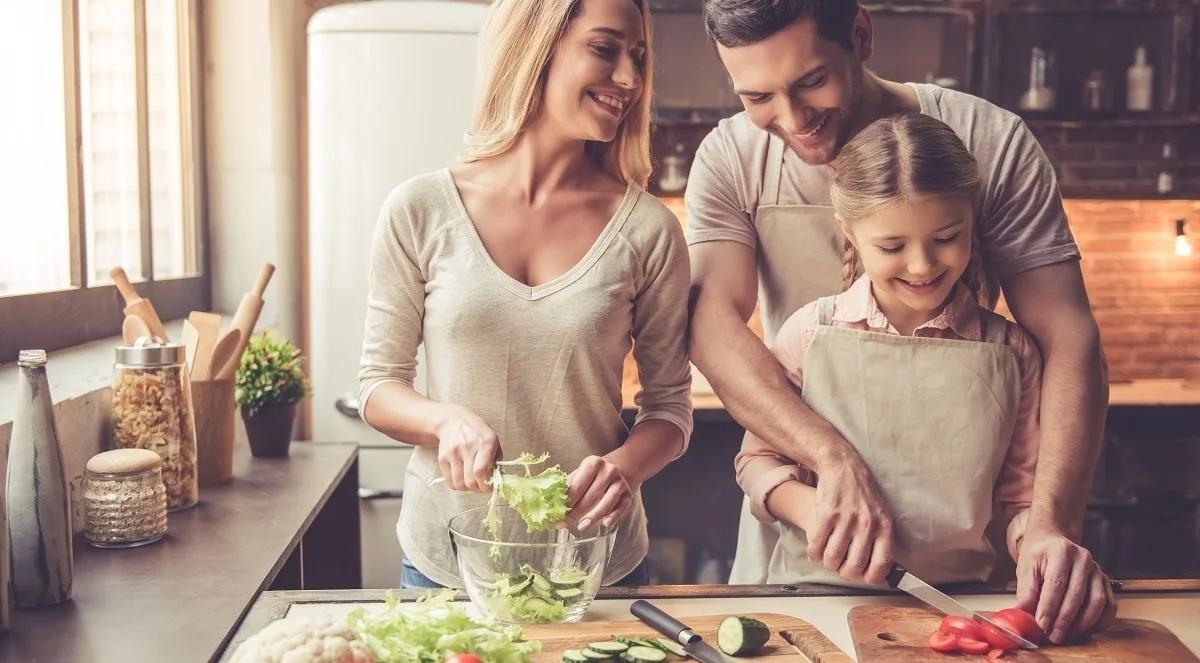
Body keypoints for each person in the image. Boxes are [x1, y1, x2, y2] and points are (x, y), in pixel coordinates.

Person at [688, 0, 1112, 643]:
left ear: (860, 35)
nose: (793, 119)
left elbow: (1068, 336)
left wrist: (1048, 524)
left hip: (966, 569)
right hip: (808, 549)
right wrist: (830, 461)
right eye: (758, 97)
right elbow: (710, 325)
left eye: (810, 82)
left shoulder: (991, 143)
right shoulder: (730, 158)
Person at [358, 0, 692, 589]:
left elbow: (669, 411)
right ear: (538, 45)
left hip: (592, 564)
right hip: (450, 562)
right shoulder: (421, 209)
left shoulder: (648, 229)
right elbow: (378, 387)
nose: (629, 80)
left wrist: (625, 468)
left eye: (638, 58)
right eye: (605, 48)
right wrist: (445, 421)